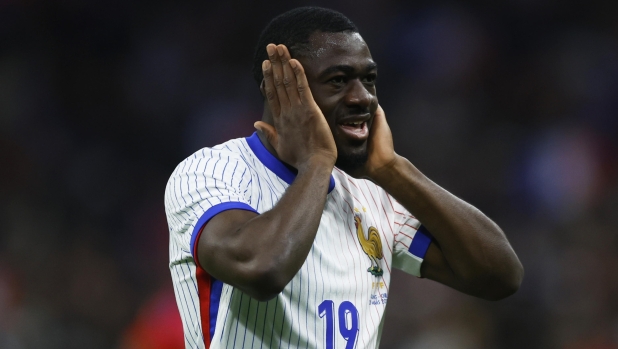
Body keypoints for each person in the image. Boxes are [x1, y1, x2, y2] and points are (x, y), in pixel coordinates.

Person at [164, 6, 523, 349]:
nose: (362, 97)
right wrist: (317, 161)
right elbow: (261, 268)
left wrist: (394, 170)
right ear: (280, 91)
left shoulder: (373, 193)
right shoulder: (211, 172)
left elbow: (500, 276)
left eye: (368, 80)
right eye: (338, 81)